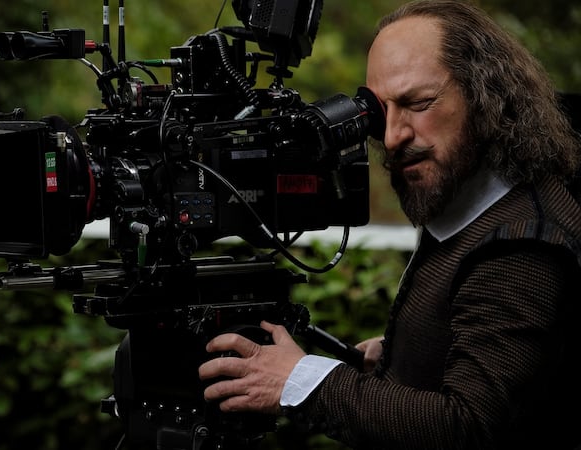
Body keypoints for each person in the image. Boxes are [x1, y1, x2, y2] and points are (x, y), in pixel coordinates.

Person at [198, 1, 581, 449]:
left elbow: (468, 426)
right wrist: (407, 356)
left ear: (487, 97)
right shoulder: (474, 200)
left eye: (418, 104)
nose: (394, 136)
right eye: (380, 113)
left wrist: (303, 382)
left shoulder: (520, 244)